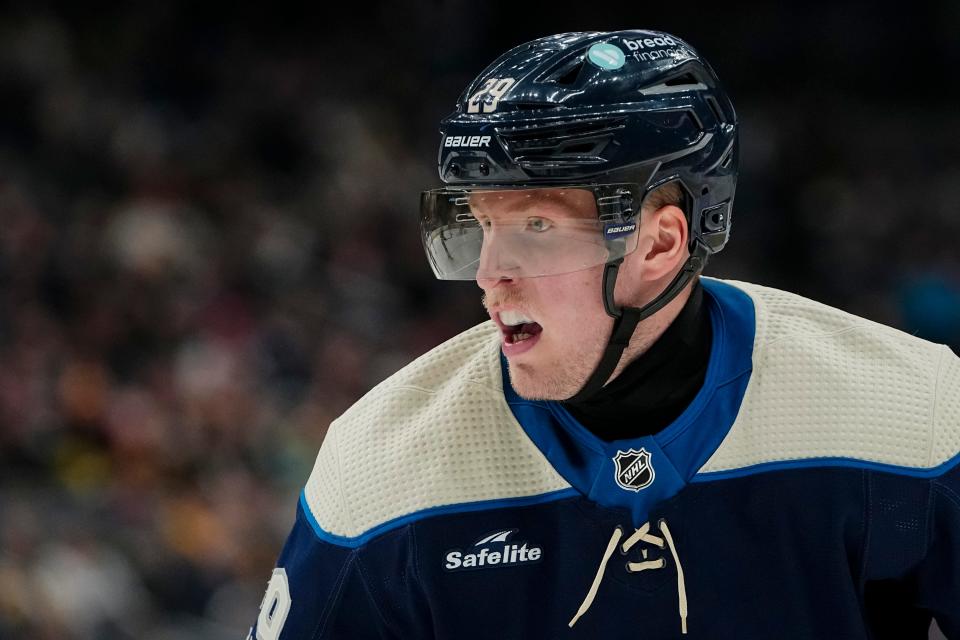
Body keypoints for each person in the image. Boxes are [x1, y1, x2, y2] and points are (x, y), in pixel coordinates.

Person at [248, 30, 960, 639]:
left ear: (659, 243)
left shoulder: (914, 410)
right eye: (480, 225)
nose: (490, 274)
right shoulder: (380, 466)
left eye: (535, 227)